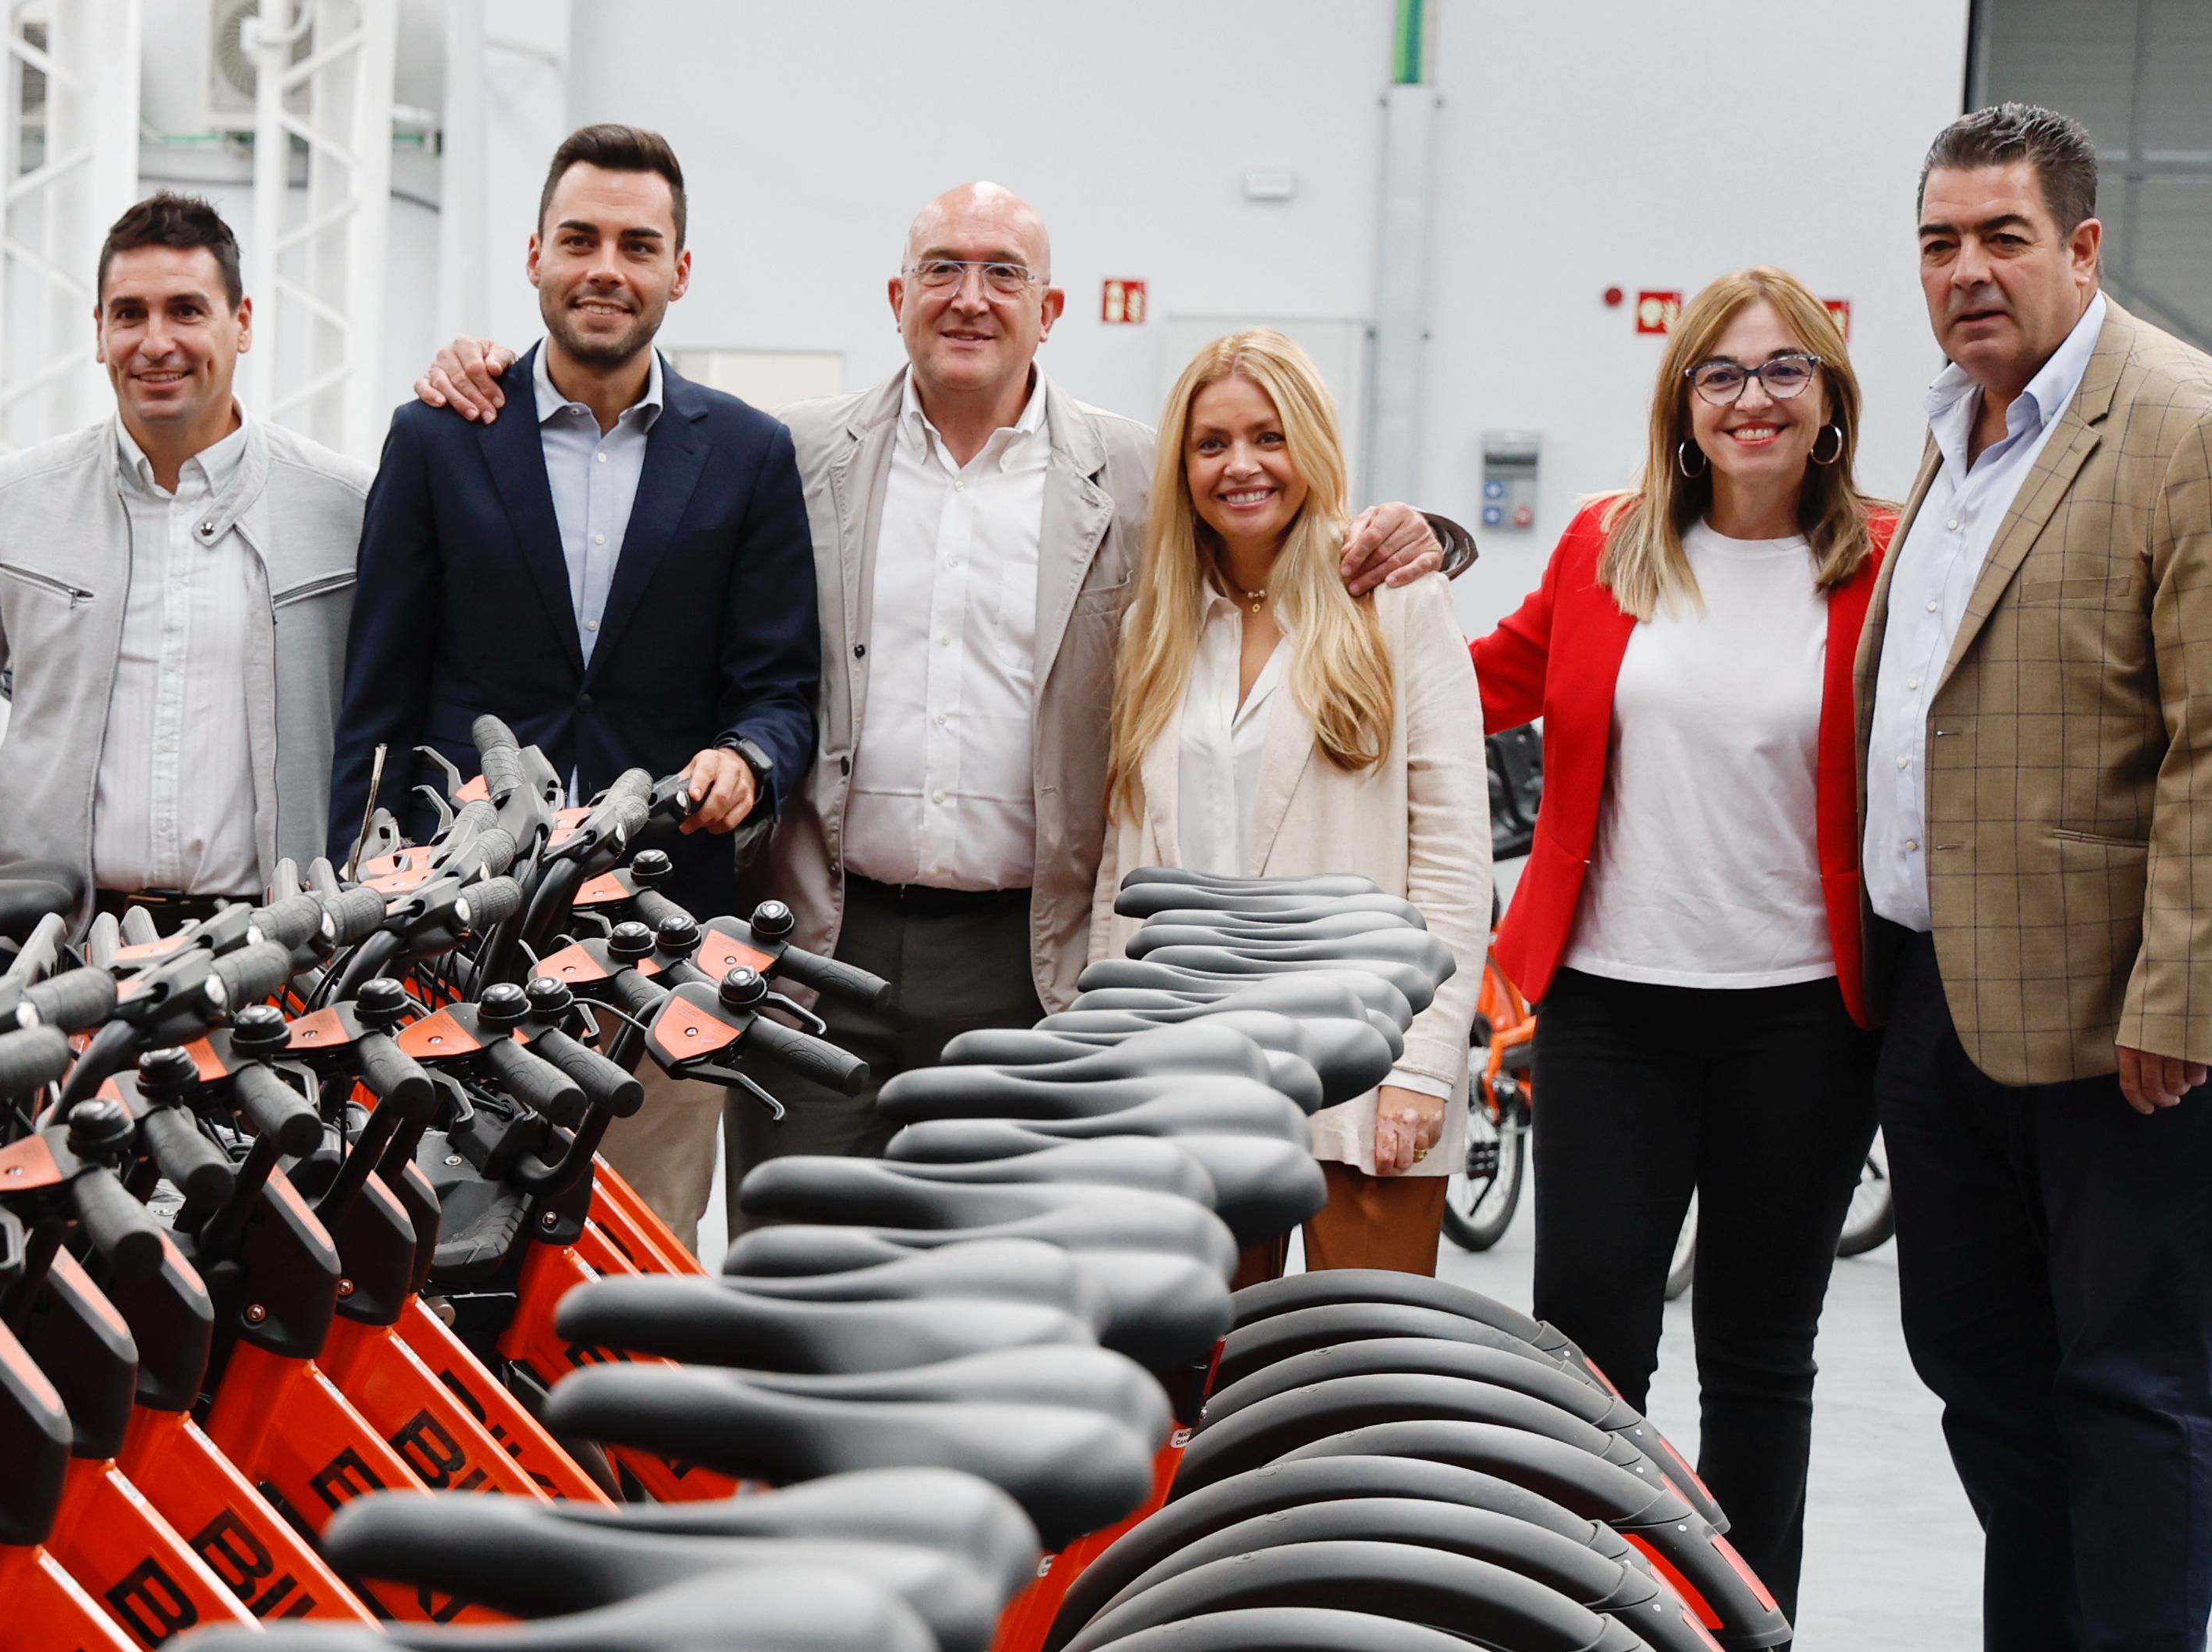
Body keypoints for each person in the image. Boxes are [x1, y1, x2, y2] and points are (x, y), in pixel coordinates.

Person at [412, 184, 1460, 1181]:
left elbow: (1269, 535)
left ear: (1050, 311)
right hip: (817, 941)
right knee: (794, 1255)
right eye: (941, 269)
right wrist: (490, 367)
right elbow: (652, 456)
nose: (970, 297)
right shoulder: (794, 455)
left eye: (1004, 273)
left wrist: (1419, 535)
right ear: (896, 296)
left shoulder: (1139, 475)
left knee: (1006, 1264)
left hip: (1032, 958)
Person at [1845, 104, 2212, 1652]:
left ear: (2080, 248)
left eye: (2002, 237)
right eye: (1939, 242)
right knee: (1981, 1358)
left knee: (2132, 1372)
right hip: (1952, 983)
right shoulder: (1963, 434)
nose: (1967, 271)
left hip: (2131, 1006)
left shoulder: (2189, 427)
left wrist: (2183, 996)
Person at [1466, 268, 1895, 1621]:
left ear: (1829, 397)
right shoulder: (1608, 545)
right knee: (1586, 1357)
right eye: (1721, 373)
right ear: (1683, 402)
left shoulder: (1888, 562)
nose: (1751, 398)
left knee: (1760, 1359)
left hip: (1804, 1016)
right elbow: (1476, 684)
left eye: (1783, 369)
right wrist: (1369, 580)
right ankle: (1574, 1643)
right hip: (1612, 1008)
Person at [329, 123, 816, 1243]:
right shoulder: (439, 439)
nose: (607, 268)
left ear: (678, 271)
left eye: (638, 246)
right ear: (534, 255)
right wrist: (369, 900)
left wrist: (748, 760)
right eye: (580, 239)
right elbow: (377, 706)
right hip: (455, 937)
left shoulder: (747, 454)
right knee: (434, 1253)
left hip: (666, 940)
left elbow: (781, 690)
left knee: (637, 1259)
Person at [0, 195, 367, 907]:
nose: (156, 343)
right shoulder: (13, 498)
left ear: (244, 323)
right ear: (99, 332)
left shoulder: (345, 507)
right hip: (55, 937)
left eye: (187, 311)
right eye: (130, 314)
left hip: (278, 943)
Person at [1098, 329, 1486, 1274]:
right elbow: (1124, 863)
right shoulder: (1156, 626)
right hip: (1190, 1065)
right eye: (1211, 444)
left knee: (1362, 1348)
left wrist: (1424, 1064)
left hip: (1365, 1056)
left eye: (1267, 437)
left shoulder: (1395, 602)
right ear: (1181, 467)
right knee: (1208, 1351)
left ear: (1309, 444)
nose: (1240, 466)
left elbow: (1449, 849)